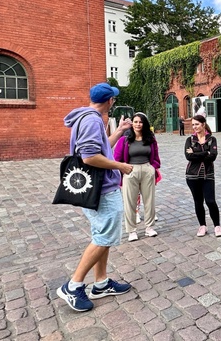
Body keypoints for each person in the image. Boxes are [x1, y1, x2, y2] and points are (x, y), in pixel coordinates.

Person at [57, 82, 133, 312]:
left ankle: (101, 283)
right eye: (114, 100)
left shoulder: (86, 117)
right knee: (104, 237)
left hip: (97, 188)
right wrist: (120, 165)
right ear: (110, 101)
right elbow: (90, 157)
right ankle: (73, 285)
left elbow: (100, 151)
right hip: (102, 190)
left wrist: (118, 132)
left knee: (103, 235)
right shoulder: (91, 120)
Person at [113, 112, 161, 242]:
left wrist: (152, 167)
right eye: (135, 122)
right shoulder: (124, 139)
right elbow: (116, 159)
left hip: (147, 169)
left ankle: (149, 227)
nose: (138, 124)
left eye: (140, 122)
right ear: (132, 124)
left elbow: (156, 157)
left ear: (144, 124)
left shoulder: (150, 139)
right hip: (130, 171)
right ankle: (131, 231)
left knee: (149, 200)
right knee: (130, 202)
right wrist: (123, 168)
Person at [185, 115, 221, 237]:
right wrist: (204, 152)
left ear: (203, 124)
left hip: (208, 175)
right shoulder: (190, 140)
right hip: (192, 176)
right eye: (193, 125)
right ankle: (202, 226)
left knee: (210, 201)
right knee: (198, 202)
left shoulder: (212, 139)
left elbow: (213, 156)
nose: (194, 127)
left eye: (197, 124)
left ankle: (217, 225)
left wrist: (196, 152)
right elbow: (188, 157)